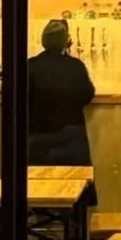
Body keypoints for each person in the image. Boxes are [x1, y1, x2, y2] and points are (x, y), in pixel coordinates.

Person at [26, 20, 96, 166]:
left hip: (38, 136)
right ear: (66, 41)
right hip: (71, 136)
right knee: (77, 181)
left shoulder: (30, 65)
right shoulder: (75, 66)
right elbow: (87, 95)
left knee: (38, 183)